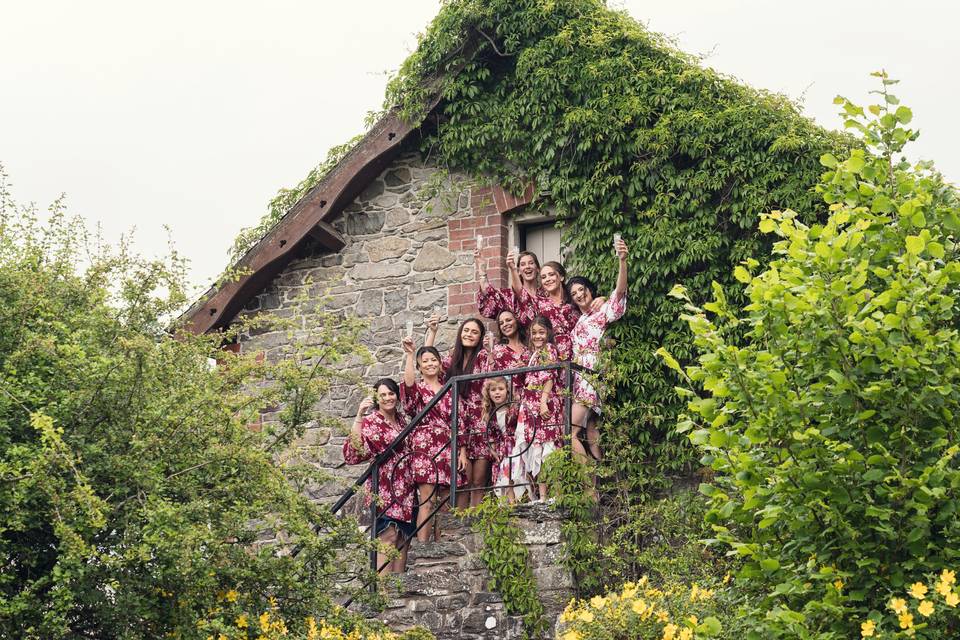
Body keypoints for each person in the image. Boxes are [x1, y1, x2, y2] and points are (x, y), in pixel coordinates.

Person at [342, 378, 415, 573]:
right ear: (376, 399)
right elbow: (353, 453)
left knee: (402, 538)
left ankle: (396, 596)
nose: (388, 398)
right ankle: (382, 593)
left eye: (391, 393)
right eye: (382, 395)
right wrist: (359, 415)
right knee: (388, 535)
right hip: (384, 486)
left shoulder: (402, 419)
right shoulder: (371, 421)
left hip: (406, 488)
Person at [567, 236, 629, 464]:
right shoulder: (580, 319)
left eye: (581, 289)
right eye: (574, 294)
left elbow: (619, 294)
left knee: (570, 433)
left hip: (591, 377)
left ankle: (589, 483)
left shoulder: (601, 312)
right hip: (579, 378)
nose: (579, 295)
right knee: (591, 429)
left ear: (589, 289)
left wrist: (622, 261)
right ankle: (602, 478)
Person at [426, 315, 492, 508]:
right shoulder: (452, 358)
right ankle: (462, 518)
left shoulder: (481, 357)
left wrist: (489, 352)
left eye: (474, 332)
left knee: (478, 480)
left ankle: (475, 515)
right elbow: (430, 364)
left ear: (479, 337)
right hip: (459, 421)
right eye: (466, 330)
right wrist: (432, 332)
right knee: (463, 477)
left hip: (480, 420)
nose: (469, 335)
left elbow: (490, 377)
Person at [400, 338, 460, 542]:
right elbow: (407, 388)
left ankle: (441, 545)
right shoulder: (418, 390)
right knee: (427, 501)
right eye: (425, 361)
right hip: (425, 445)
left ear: (440, 363)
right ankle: (424, 547)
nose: (430, 364)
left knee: (445, 502)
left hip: (447, 445)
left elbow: (458, 422)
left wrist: (461, 451)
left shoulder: (450, 389)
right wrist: (410, 355)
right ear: (419, 367)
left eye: (433, 359)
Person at [510, 315, 564, 502]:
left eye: (542, 332)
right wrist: (526, 367)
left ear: (548, 332)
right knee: (537, 451)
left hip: (543, 406)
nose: (538, 336)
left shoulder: (549, 349)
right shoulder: (534, 354)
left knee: (550, 451)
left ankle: (556, 494)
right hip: (531, 408)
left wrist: (543, 402)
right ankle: (542, 496)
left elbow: (549, 376)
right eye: (534, 333)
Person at [511, 257, 581, 360]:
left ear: (561, 277)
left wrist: (602, 299)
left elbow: (590, 305)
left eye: (551, 275)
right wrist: (513, 269)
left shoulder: (574, 298)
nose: (547, 279)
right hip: (551, 356)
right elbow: (520, 293)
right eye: (543, 277)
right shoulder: (538, 302)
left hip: (578, 353)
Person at [474, 246, 541, 319]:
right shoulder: (509, 296)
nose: (527, 266)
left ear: (538, 269)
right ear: (518, 271)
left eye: (531, 263)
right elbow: (489, 296)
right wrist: (481, 266)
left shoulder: (547, 294)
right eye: (523, 264)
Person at [482, 376, 520, 503]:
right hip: (500, 449)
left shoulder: (513, 409)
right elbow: (490, 435)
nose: (497, 392)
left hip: (514, 446)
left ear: (507, 391)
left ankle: (516, 502)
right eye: (493, 390)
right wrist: (493, 451)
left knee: (514, 473)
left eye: (501, 389)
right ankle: (509, 503)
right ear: (488, 393)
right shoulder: (490, 413)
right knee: (504, 474)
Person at [487, 308, 530, 402]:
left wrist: (526, 368)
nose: (505, 324)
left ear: (517, 321)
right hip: (508, 401)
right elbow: (492, 380)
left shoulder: (529, 350)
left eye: (508, 320)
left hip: (529, 399)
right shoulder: (497, 350)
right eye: (501, 323)